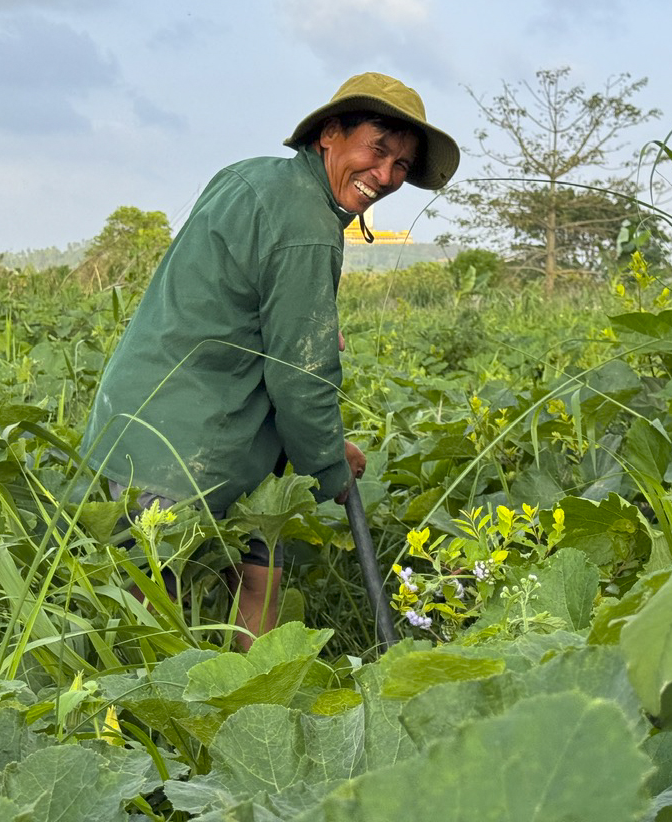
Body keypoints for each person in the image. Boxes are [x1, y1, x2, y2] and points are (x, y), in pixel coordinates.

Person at [80, 71, 460, 649]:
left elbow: (250, 316)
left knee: (256, 572)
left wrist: (324, 442)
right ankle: (146, 728)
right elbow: (301, 376)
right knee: (153, 605)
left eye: (403, 166)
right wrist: (329, 467)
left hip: (148, 416)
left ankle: (257, 706)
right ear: (330, 133)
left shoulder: (252, 178)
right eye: (377, 150)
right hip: (188, 438)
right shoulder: (307, 225)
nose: (385, 177)